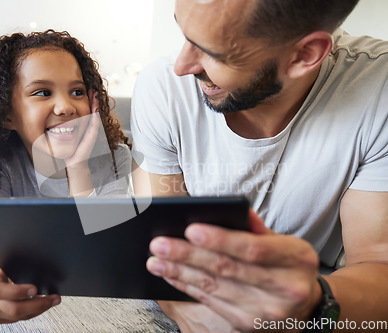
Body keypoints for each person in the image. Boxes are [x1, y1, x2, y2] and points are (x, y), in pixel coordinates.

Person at [131, 0, 388, 331]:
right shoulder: (163, 89)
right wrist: (188, 315)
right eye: (184, 33)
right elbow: (156, 248)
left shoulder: (378, 91)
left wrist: (312, 304)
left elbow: (377, 264)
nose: (182, 66)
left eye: (215, 53)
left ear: (305, 55)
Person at [0, 30, 132, 324]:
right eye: (43, 92)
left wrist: (79, 168)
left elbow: (111, 252)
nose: (66, 106)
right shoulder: (0, 164)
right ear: (6, 115)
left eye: (77, 92)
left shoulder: (113, 157)